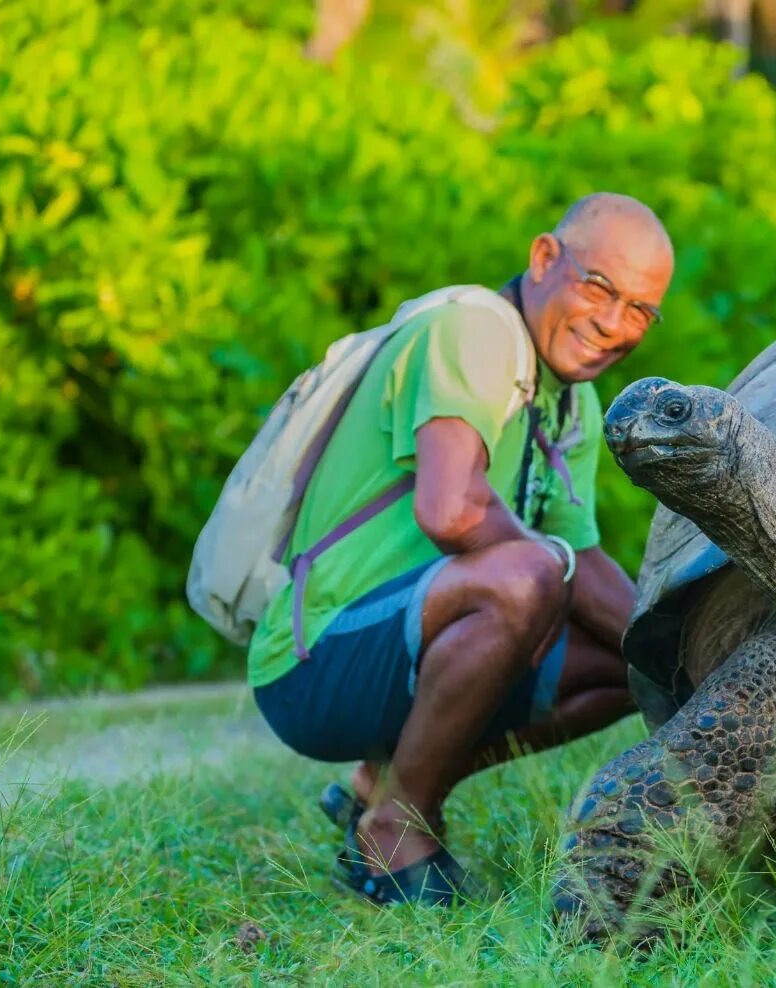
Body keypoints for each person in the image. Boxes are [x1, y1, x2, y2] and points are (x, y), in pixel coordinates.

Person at [247, 192, 675, 905]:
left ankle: (383, 787)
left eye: (639, 310)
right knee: (526, 578)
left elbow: (583, 559)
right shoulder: (473, 330)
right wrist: (548, 579)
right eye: (600, 287)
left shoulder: (571, 403)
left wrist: (681, 650)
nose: (613, 323)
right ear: (543, 258)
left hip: (416, 644)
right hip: (315, 660)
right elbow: (450, 511)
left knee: (635, 664)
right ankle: (394, 828)